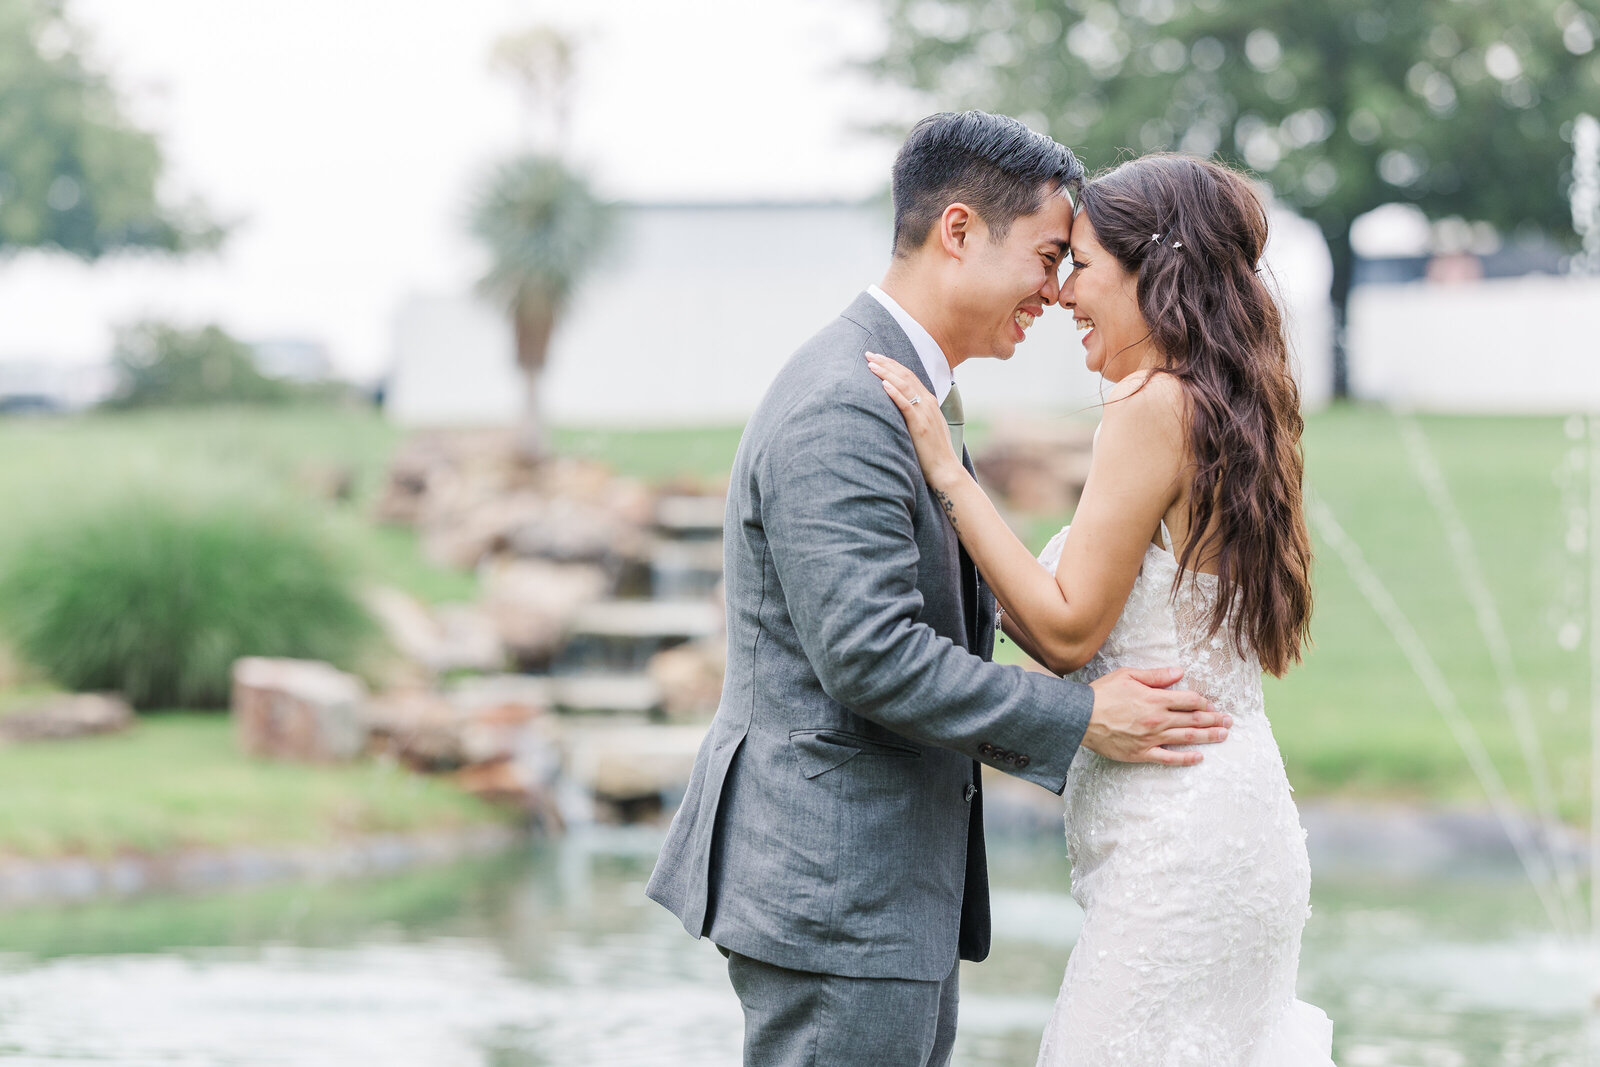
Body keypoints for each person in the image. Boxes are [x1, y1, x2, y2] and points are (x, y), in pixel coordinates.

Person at [645, 113, 1235, 1067]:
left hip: (879, 890)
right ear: (958, 231)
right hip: (836, 890)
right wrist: (1081, 716)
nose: (1055, 288)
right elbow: (871, 656)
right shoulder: (845, 399)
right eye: (1047, 255)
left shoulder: (909, 392)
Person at [868, 152, 1335, 1064]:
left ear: (1149, 270)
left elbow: (1067, 627)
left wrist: (946, 474)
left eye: (1079, 264)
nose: (1063, 292)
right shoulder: (1226, 402)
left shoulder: (1152, 405)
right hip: (1233, 822)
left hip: (1181, 849)